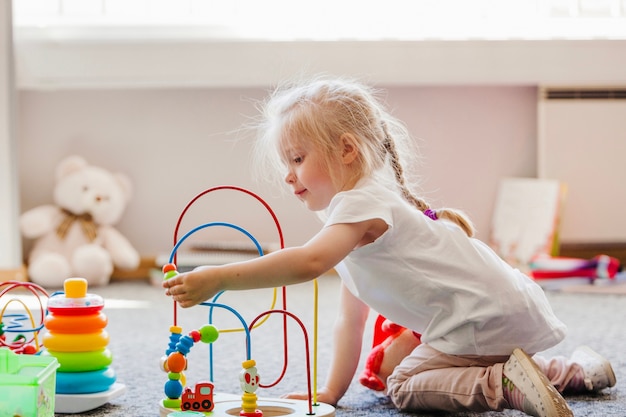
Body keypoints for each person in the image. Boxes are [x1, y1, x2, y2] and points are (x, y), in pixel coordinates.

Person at [163, 76, 615, 417]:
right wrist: (329, 395)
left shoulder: (362, 203)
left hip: (479, 321)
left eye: (298, 159)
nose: (288, 175)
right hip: (497, 313)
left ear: (346, 150)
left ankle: (502, 384)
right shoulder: (359, 213)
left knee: (404, 385)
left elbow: (307, 262)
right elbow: (349, 322)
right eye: (286, 163)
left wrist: (219, 277)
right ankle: (569, 372)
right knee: (413, 367)